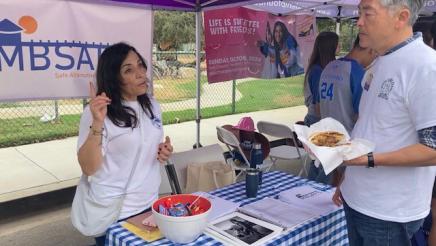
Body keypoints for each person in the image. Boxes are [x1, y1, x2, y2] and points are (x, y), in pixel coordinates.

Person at [332, 0, 436, 245]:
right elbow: (370, 127)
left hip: (387, 211)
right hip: (358, 199)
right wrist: (348, 179)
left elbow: (433, 149)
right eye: (359, 13)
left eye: (367, 13)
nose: (359, 22)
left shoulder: (426, 66)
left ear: (401, 17)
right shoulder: (381, 60)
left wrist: (367, 160)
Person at [73, 42, 173, 246]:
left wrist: (163, 151)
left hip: (149, 204)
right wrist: (98, 122)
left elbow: (145, 146)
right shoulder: (98, 113)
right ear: (114, 79)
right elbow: (89, 168)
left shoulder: (152, 105)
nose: (140, 73)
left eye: (140, 65)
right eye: (128, 70)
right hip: (114, 212)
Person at [311, 36, 377, 186]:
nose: (374, 59)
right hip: (349, 142)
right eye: (375, 54)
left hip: (328, 138)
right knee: (344, 190)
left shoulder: (328, 67)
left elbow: (318, 107)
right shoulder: (357, 73)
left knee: (331, 187)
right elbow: (363, 114)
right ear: (370, 49)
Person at [303, 31, 339, 127]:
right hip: (316, 121)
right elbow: (318, 106)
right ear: (330, 47)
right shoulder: (317, 71)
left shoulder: (327, 68)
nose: (340, 47)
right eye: (338, 44)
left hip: (324, 118)